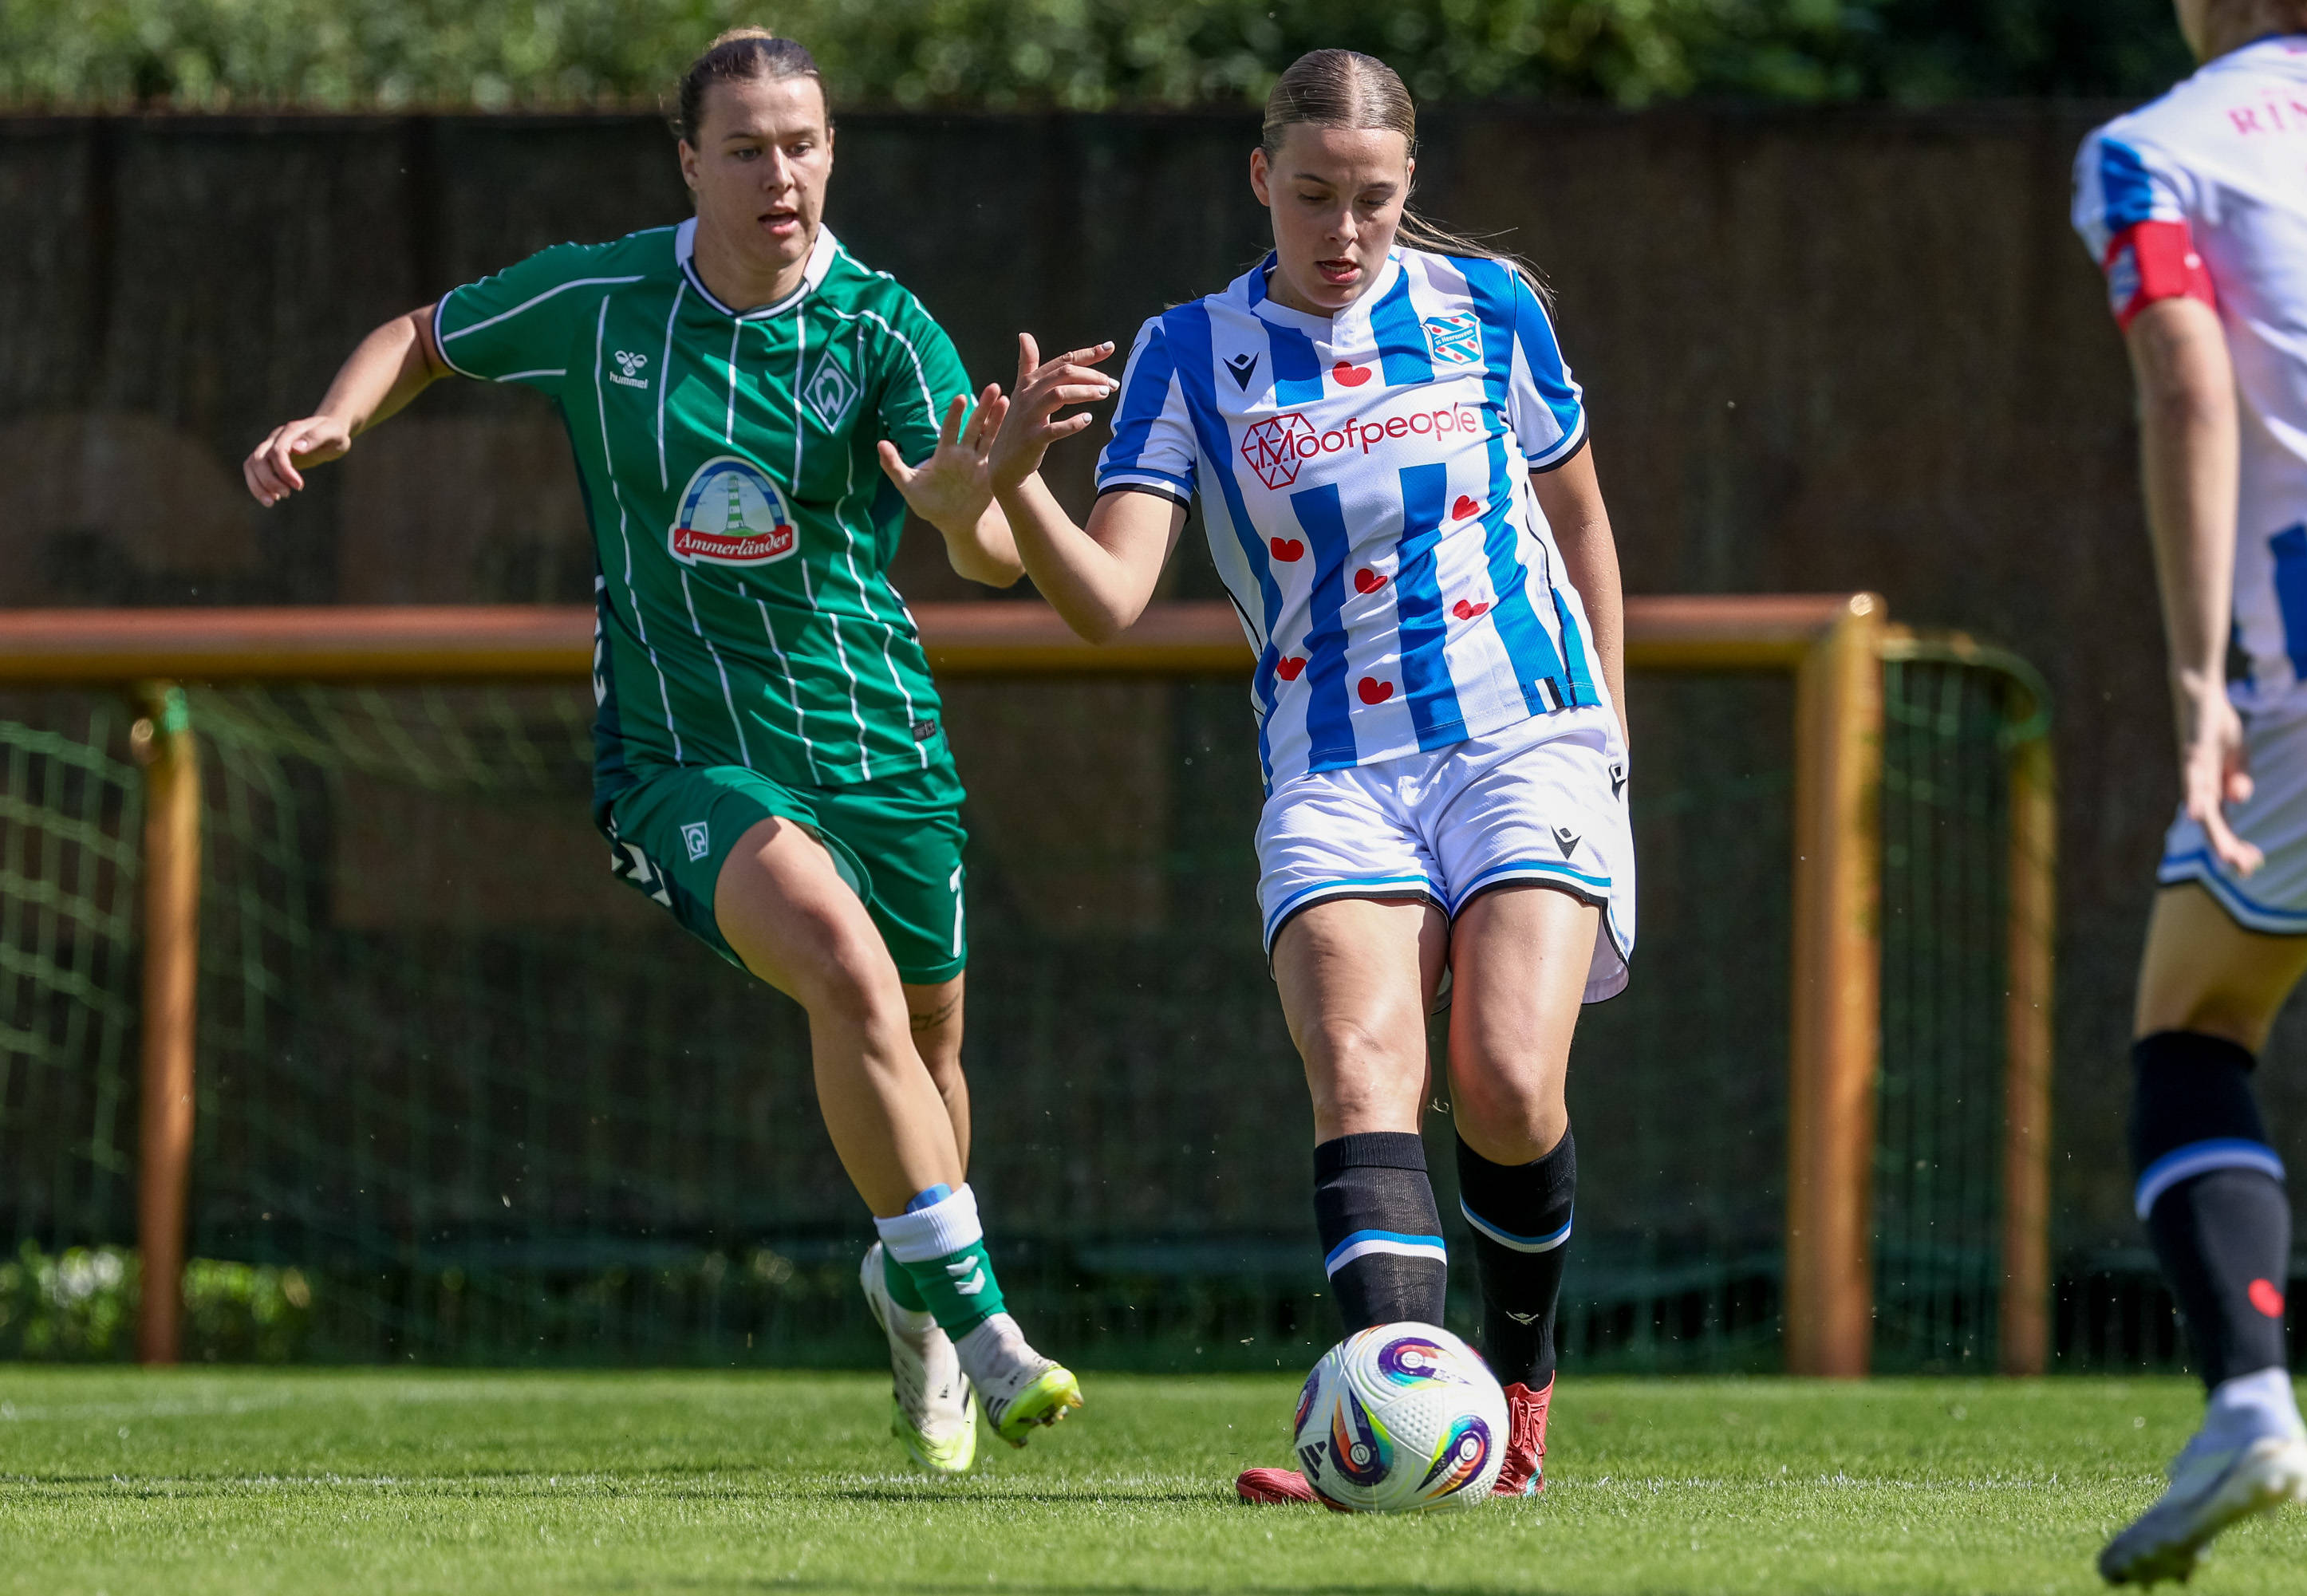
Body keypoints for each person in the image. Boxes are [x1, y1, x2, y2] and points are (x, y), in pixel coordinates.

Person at [242, 28, 1080, 1474]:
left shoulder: (884, 328)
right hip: (683, 751)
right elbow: (421, 336)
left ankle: (915, 1288)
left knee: (929, 1039)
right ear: (686, 159)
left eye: (804, 144)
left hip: (879, 742)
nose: (782, 174)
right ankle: (991, 1328)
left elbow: (993, 555)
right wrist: (338, 412)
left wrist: (962, 501)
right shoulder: (606, 294)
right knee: (839, 961)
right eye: (747, 147)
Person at [970, 47, 1635, 1503]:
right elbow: (1109, 599)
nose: (1344, 231)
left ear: (1411, 197)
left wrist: (1613, 736)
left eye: (1376, 202)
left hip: (1527, 733)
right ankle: (1394, 1434)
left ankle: (1515, 1399)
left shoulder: (1489, 311)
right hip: (1334, 767)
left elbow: (1582, 526)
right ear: (1260, 177)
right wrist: (1017, 477)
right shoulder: (1189, 350)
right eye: (1316, 194)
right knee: (1361, 1071)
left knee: (1509, 1079)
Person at [2071, 0, 2307, 1581]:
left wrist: (2203, 687)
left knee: (2196, 1025)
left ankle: (2253, 1398)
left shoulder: (2158, 148)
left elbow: (2191, 391)